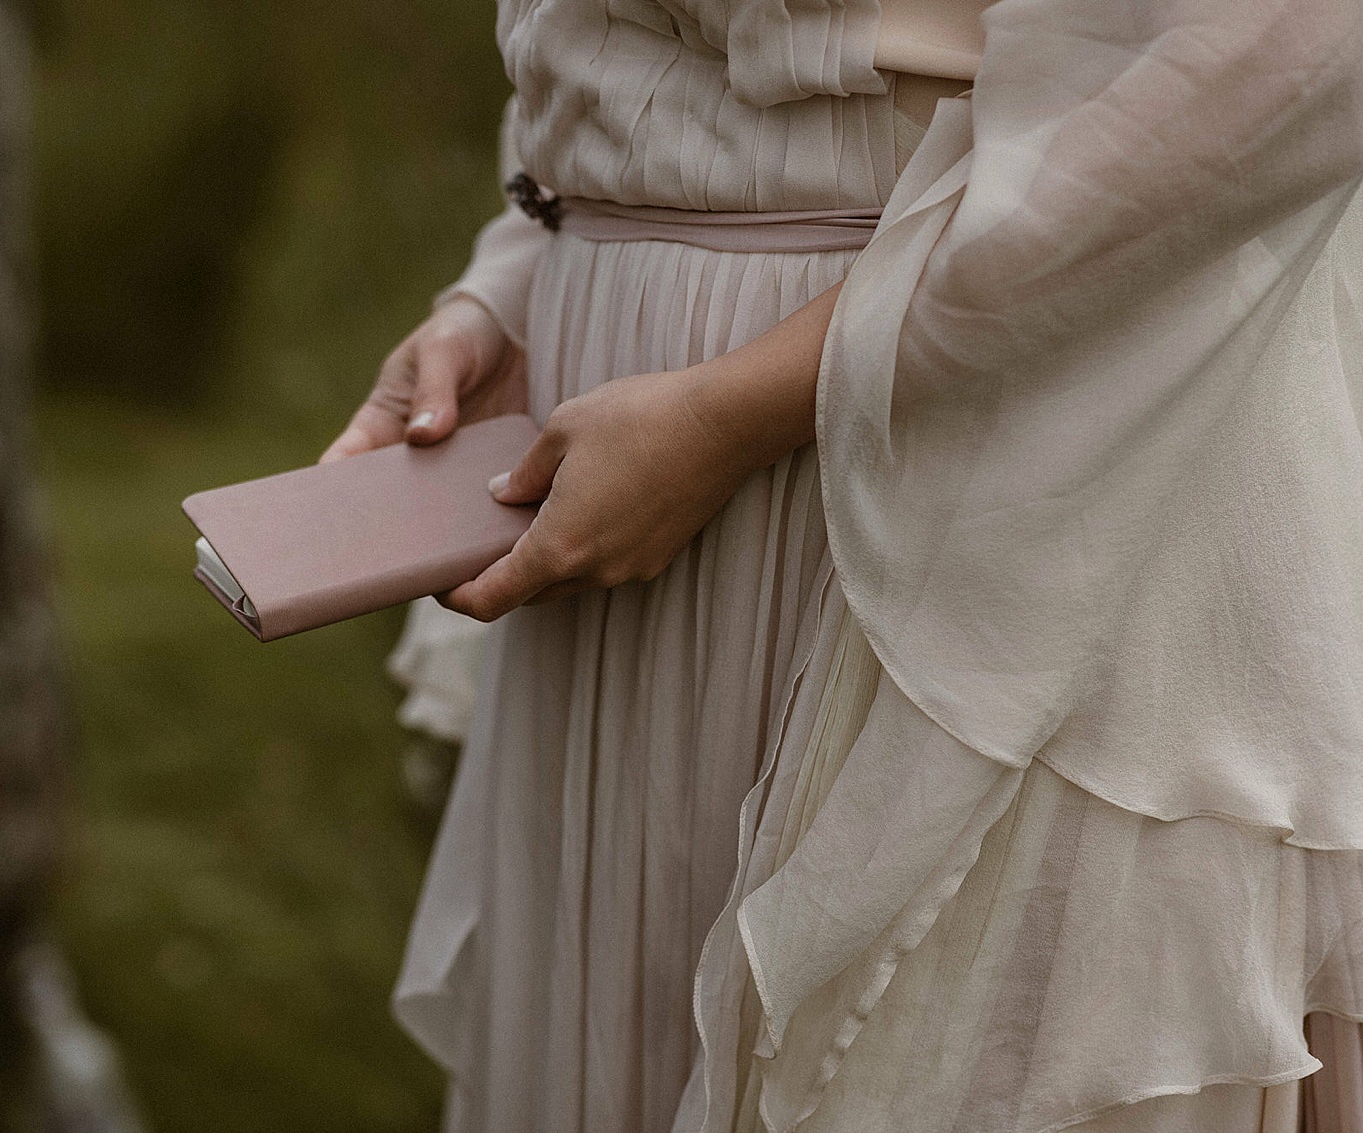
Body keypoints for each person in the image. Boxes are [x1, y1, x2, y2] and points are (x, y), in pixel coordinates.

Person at [324, 0, 1363, 1129]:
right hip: (626, 501)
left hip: (967, 474)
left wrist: (731, 411)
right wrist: (517, 279)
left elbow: (1267, 67)